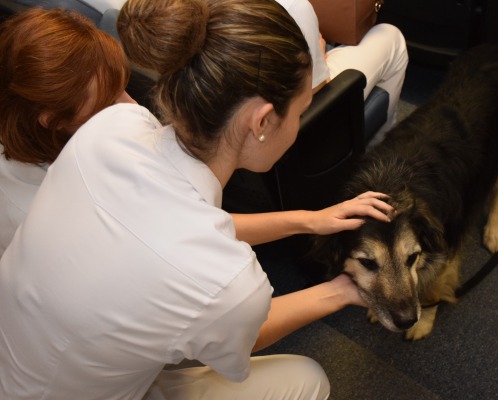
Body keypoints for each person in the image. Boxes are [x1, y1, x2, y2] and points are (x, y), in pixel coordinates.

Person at [0, 1, 393, 399]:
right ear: (261, 122)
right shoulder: (226, 284)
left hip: (20, 363)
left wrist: (309, 219)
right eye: (300, 110)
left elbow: (186, 229)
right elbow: (248, 328)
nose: (298, 124)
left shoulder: (112, 127)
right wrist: (342, 290)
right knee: (309, 379)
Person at [0, 7, 136, 255]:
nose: (134, 106)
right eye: (108, 103)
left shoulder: (29, 120)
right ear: (53, 121)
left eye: (123, 88)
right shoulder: (45, 220)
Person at [274, 0, 409, 147]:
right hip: (292, 117)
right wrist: (317, 56)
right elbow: (309, 89)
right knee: (392, 37)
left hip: (263, 107)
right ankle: (378, 149)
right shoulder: (294, 6)